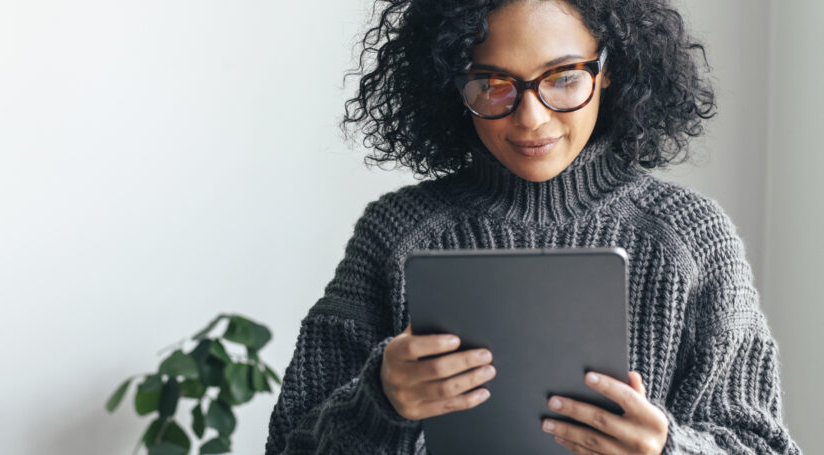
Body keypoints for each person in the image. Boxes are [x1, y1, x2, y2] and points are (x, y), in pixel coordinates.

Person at [265, 0, 803, 453]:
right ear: (452, 84)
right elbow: (290, 441)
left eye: (564, 78)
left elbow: (761, 443)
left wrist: (666, 449)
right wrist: (378, 401)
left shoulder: (689, 236)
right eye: (492, 84)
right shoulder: (396, 233)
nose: (531, 118)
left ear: (608, 68)